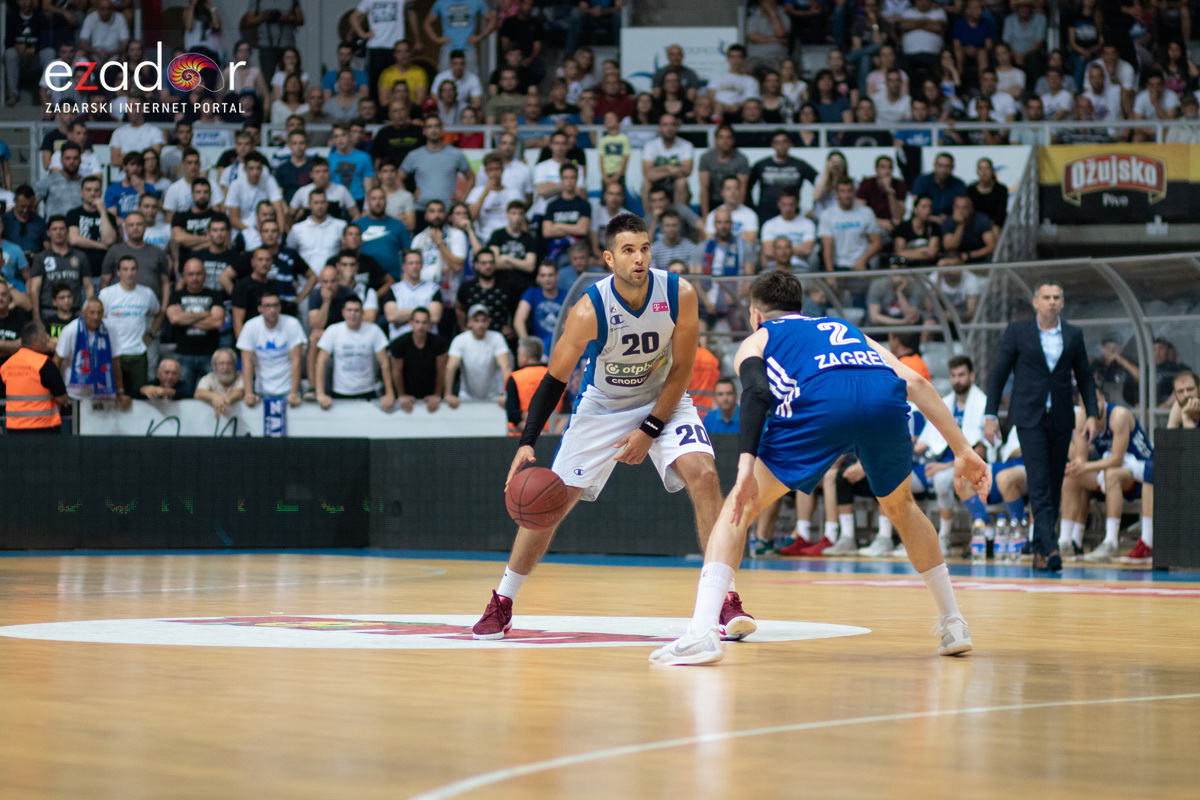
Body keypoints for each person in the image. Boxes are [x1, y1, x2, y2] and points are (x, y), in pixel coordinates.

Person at [650, 271, 989, 664]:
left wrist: (745, 465)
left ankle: (702, 632)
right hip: (883, 400)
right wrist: (962, 448)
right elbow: (916, 383)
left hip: (821, 403)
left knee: (736, 510)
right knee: (902, 508)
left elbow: (757, 392)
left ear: (756, 314)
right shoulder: (845, 329)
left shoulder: (758, 337)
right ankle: (953, 622)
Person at [473, 212, 749, 644]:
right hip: (602, 407)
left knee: (705, 474)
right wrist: (527, 442)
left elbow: (682, 370)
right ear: (608, 258)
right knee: (550, 501)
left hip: (665, 399)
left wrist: (650, 429)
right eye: (628, 250)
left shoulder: (680, 294)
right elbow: (554, 379)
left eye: (644, 248)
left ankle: (725, 599)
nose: (638, 258)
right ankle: (503, 602)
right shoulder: (589, 309)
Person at [984, 280, 1099, 572]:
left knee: (1053, 480)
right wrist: (990, 415)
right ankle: (1051, 546)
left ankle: (1039, 550)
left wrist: (1092, 413)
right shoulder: (1018, 331)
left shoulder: (1073, 334)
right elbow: (998, 374)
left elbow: (1084, 376)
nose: (1052, 301)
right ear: (1036, 302)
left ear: (1062, 302)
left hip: (1061, 416)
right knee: (1038, 481)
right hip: (1028, 415)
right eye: (1046, 297)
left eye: (1056, 297)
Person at [1059, 386, 1154, 563]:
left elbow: (1117, 459)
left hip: (1141, 472)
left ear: (1102, 398)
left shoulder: (1118, 415)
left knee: (1112, 474)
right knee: (1071, 477)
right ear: (1080, 405)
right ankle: (1065, 542)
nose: (1091, 405)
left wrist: (1084, 467)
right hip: (1110, 469)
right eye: (1085, 402)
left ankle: (1110, 542)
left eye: (1094, 400)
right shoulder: (1080, 418)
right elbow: (1081, 459)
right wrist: (1074, 467)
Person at [314, 295, 394, 411]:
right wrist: (320, 393)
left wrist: (389, 393)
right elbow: (320, 362)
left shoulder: (374, 330)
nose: (353, 314)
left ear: (362, 313)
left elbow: (385, 363)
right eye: (349, 310)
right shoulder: (333, 330)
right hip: (340, 392)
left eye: (356, 310)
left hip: (367, 391)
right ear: (343, 312)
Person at [97, 256, 161, 398]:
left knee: (139, 397)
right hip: (114, 354)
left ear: (137, 271)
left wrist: (151, 333)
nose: (129, 273)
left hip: (138, 354)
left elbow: (158, 313)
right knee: (113, 397)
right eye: (125, 269)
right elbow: (97, 319)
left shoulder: (147, 293)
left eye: (133, 269)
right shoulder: (107, 294)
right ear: (118, 272)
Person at [52, 297, 127, 406]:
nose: (96, 317)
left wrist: (120, 391)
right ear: (83, 313)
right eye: (92, 313)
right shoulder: (71, 330)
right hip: (74, 394)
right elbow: (57, 362)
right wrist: (58, 392)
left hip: (103, 392)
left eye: (99, 313)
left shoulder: (110, 330)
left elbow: (115, 361)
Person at [168, 258, 226, 396]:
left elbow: (217, 322)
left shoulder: (215, 295)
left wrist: (186, 318)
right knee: (183, 395)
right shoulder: (176, 295)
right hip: (184, 354)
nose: (195, 278)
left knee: (212, 394)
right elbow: (175, 319)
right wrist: (205, 314)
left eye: (198, 273)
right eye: (191, 274)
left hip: (209, 354)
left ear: (205, 275)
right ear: (184, 276)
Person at [237, 291, 304, 408]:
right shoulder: (250, 326)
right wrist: (248, 393)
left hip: (288, 389)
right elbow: (247, 362)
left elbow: (296, 360)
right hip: (261, 390)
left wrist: (294, 392)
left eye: (275, 305)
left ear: (280, 307)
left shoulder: (292, 324)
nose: (272, 310)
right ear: (260, 308)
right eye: (268, 306)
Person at [0, 322, 68, 434]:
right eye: (44, 336)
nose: (47, 340)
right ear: (34, 340)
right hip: (43, 428)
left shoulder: (6, 366)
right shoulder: (44, 363)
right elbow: (61, 398)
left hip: (14, 430)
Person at [399, 117, 473, 211]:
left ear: (442, 129)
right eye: (429, 127)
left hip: (447, 210)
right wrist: (409, 197)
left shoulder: (456, 154)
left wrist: (461, 201)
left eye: (436, 126)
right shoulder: (414, 155)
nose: (433, 130)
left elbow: (471, 178)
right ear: (424, 131)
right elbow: (398, 177)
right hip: (421, 210)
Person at [747, 129, 819, 224]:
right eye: (777, 142)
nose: (781, 145)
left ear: (790, 144)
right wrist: (752, 209)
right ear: (772, 145)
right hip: (766, 213)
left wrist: (815, 208)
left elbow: (819, 183)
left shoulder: (800, 165)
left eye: (784, 142)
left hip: (792, 212)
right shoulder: (761, 165)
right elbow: (747, 187)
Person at [444, 303, 510, 406]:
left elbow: (505, 366)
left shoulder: (497, 338)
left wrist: (507, 393)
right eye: (476, 320)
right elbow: (451, 367)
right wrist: (448, 394)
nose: (480, 325)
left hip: (494, 394)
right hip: (466, 395)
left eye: (484, 320)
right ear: (469, 322)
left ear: (488, 322)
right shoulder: (460, 340)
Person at [28, 215, 92, 320]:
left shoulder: (80, 256)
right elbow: (35, 289)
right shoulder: (41, 257)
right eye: (54, 229)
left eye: (62, 229)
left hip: (75, 312)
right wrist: (36, 317)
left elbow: (88, 287)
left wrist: (88, 311)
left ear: (67, 231)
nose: (58, 232)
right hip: (48, 312)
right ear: (48, 233)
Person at [389, 306, 448, 413]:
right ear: (411, 323)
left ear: (429, 325)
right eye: (417, 322)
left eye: (424, 322)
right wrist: (401, 395)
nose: (420, 326)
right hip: (408, 390)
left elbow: (441, 371)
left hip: (430, 390)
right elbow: (397, 372)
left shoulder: (439, 344)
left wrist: (437, 395)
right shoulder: (399, 344)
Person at [819, 178, 883, 275]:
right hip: (838, 267)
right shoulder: (827, 215)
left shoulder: (866, 212)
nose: (846, 195)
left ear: (854, 192)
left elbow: (877, 243)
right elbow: (827, 247)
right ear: (836, 194)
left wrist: (862, 260)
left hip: (861, 265)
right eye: (842, 191)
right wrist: (830, 274)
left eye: (849, 191)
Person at [514, 261, 563, 355]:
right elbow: (518, 320)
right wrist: (527, 347)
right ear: (538, 278)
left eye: (550, 275)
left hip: (560, 349)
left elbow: (568, 324)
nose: (547, 279)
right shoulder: (532, 293)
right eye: (543, 275)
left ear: (557, 276)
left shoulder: (566, 295)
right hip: (537, 350)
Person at [911, 153, 967, 226]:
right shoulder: (922, 181)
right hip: (925, 221)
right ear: (934, 166)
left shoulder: (959, 184)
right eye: (940, 166)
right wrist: (932, 218)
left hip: (951, 223)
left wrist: (949, 218)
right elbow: (915, 207)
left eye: (947, 166)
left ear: (952, 168)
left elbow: (962, 208)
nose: (943, 170)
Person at [856, 155, 908, 234]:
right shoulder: (866, 184)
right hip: (871, 224)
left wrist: (890, 191)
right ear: (876, 170)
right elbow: (859, 212)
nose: (887, 171)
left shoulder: (900, 185)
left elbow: (898, 216)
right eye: (883, 167)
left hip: (893, 225)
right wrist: (879, 222)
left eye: (889, 167)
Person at [193, 348, 244, 417]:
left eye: (229, 363)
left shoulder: (242, 377)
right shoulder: (208, 378)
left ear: (235, 365)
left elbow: (240, 392)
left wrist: (224, 401)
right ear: (214, 366)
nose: (225, 367)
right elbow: (198, 393)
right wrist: (214, 397)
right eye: (221, 363)